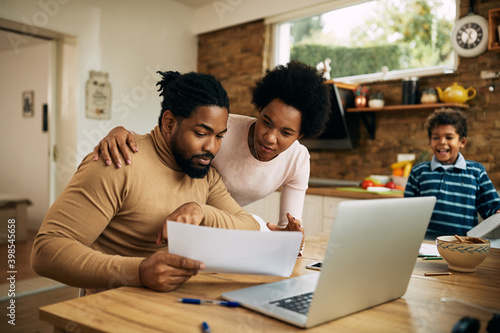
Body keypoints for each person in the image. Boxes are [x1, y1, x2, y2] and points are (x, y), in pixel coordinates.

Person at [31, 71, 261, 294]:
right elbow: (46, 251)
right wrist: (139, 272)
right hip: (108, 312)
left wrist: (200, 210)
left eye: (219, 136)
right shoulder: (117, 162)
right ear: (169, 123)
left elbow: (249, 228)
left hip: (173, 307)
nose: (212, 148)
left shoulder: (205, 175)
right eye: (201, 133)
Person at [93, 61, 331, 235]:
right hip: (172, 216)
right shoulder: (223, 129)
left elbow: (286, 229)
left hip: (221, 226)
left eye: (286, 133)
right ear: (258, 110)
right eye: (266, 121)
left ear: (301, 135)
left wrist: (291, 238)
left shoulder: (297, 160)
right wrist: (122, 132)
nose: (269, 137)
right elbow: (165, 141)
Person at [404, 108, 500, 237]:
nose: (442, 142)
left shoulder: (476, 172)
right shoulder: (418, 172)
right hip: (426, 244)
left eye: (449, 137)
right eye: (436, 137)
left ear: (462, 142)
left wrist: (497, 211)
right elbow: (407, 211)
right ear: (430, 142)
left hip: (463, 246)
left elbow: (491, 206)